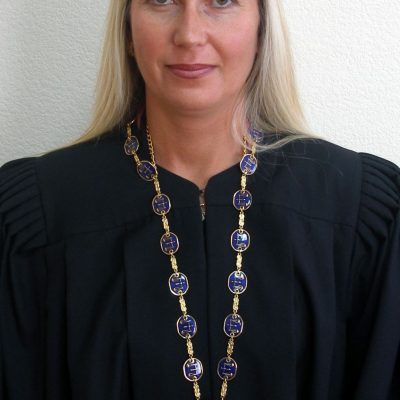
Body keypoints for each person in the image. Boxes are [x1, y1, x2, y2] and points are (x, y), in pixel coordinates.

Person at [1, 0, 399, 399]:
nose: (190, 34)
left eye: (221, 1)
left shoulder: (356, 211)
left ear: (261, 27)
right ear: (127, 29)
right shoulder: (41, 215)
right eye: (161, 0)